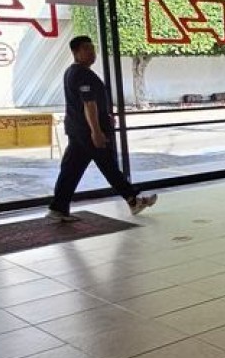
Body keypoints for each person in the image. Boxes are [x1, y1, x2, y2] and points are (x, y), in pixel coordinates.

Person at [46, 35, 156, 222]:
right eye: (86, 49)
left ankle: (58, 208)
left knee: (71, 170)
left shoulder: (73, 72)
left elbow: (89, 103)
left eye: (92, 48)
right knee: (108, 166)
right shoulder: (82, 74)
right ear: (75, 53)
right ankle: (133, 200)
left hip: (78, 131)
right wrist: (96, 131)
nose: (92, 53)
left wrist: (104, 116)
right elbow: (88, 104)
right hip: (87, 133)